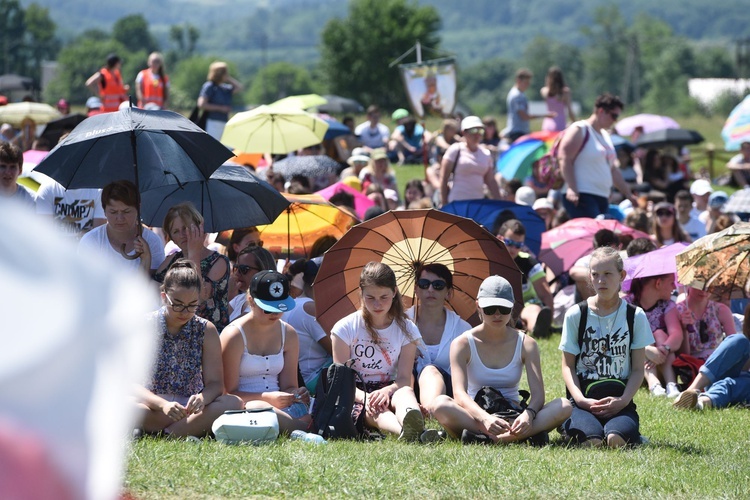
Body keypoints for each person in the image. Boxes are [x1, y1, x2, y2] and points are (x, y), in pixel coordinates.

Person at [430, 275, 571, 444]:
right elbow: (459, 395)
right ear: (478, 306)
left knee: (564, 405)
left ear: (512, 308)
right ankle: (519, 436)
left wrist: (528, 415)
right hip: (477, 415)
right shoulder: (462, 343)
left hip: (514, 414)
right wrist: (485, 419)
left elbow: (538, 395)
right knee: (440, 404)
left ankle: (488, 438)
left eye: (503, 309)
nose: (497, 314)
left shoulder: (527, 343)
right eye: (490, 309)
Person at [135, 259, 243, 437]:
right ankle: (181, 429)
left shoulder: (206, 329)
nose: (185, 312)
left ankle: (163, 432)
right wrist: (162, 405)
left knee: (233, 403)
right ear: (164, 297)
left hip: (189, 406)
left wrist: (202, 398)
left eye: (192, 305)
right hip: (151, 403)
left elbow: (215, 384)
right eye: (177, 304)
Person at [559, 246, 654, 447]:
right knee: (592, 441)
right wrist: (581, 400)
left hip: (620, 400)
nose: (601, 280)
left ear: (621, 276)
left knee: (615, 440)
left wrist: (624, 400)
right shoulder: (576, 314)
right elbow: (567, 366)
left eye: (608, 274)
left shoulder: (634, 316)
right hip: (583, 400)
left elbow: (638, 369)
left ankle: (627, 431)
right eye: (595, 275)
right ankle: (570, 425)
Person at [331, 261, 435, 442]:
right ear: (361, 293)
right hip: (355, 393)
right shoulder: (344, 328)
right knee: (375, 408)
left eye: (384, 297)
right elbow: (341, 382)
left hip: (390, 388)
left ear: (394, 292)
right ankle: (409, 433)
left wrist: (387, 391)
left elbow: (404, 379)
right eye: (370, 298)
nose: (377, 304)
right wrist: (368, 397)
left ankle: (413, 426)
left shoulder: (407, 329)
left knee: (406, 393)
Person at [220, 271, 312, 434]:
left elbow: (289, 385)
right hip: (246, 405)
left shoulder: (289, 333)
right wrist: (267, 398)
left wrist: (296, 394)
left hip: (282, 404)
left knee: (309, 405)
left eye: (280, 308)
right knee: (259, 408)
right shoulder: (234, 335)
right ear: (251, 301)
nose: (275, 314)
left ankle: (290, 425)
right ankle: (300, 428)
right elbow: (228, 393)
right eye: (268, 309)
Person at [153, 202, 231, 333]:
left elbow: (200, 296)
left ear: (198, 228)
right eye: (176, 231)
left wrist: (193, 253)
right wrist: (146, 260)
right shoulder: (171, 260)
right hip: (176, 334)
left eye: (185, 228)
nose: (182, 234)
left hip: (207, 335)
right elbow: (151, 289)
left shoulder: (219, 261)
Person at [406, 264, 471, 414]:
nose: (430, 290)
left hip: (448, 393)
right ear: (416, 290)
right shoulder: (401, 323)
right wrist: (405, 353)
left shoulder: (462, 329)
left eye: (438, 285)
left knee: (430, 370)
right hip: (407, 388)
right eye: (424, 284)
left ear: (449, 293)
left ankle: (428, 412)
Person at [559, 93, 635, 219]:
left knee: (600, 236)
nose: (615, 120)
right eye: (613, 115)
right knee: (591, 235)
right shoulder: (580, 129)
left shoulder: (605, 135)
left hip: (602, 196)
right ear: (601, 111)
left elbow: (612, 169)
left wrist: (629, 195)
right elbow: (564, 157)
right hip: (581, 195)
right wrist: (572, 187)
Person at [78, 180, 165, 275]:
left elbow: (155, 285)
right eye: (113, 212)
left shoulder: (152, 241)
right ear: (104, 211)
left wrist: (146, 261)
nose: (120, 218)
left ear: (138, 208)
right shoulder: (91, 241)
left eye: (126, 211)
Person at [673, 304, 750, 410]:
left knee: (730, 385)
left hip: (742, 385)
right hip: (722, 377)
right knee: (739, 340)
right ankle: (691, 391)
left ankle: (700, 403)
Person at [624, 272, 682, 398]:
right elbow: (620, 336)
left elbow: (676, 335)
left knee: (660, 333)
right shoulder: (626, 304)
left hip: (660, 360)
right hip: (631, 366)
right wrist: (646, 350)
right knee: (643, 337)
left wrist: (664, 349)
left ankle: (671, 383)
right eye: (671, 282)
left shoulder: (667, 305)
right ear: (658, 283)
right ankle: (653, 383)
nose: (674, 287)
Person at [282, 257, 332, 392]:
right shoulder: (309, 308)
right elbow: (335, 350)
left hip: (298, 378)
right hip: (311, 380)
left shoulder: (295, 303)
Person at [497, 219, 554, 338]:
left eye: (518, 245)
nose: (513, 248)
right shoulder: (490, 261)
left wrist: (550, 319)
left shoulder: (528, 262)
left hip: (526, 305)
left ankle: (538, 329)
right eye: (509, 243)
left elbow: (545, 294)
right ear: (499, 238)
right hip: (499, 307)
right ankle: (520, 326)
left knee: (533, 311)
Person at [439, 115, 501, 205]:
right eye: (473, 130)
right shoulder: (455, 150)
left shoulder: (485, 154)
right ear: (464, 132)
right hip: (457, 202)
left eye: (480, 130)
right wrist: (444, 202)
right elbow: (444, 178)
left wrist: (499, 202)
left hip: (478, 204)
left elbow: (491, 181)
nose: (477, 134)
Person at [675, 287, 736, 362]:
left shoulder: (721, 310)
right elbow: (683, 354)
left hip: (717, 362)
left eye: (709, 286)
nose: (703, 291)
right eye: (698, 285)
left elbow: (734, 343)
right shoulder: (677, 311)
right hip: (691, 364)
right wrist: (684, 330)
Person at [227, 245, 277, 322]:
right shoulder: (239, 299)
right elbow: (217, 322)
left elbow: (228, 329)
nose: (237, 273)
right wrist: (228, 295)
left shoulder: (263, 306)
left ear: (262, 271)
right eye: (236, 268)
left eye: (243, 269)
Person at [503, 69, 554, 142]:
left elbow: (528, 109)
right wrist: (544, 115)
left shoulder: (521, 94)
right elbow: (524, 116)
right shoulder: (516, 95)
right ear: (518, 81)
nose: (528, 85)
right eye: (526, 82)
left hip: (521, 132)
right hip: (517, 133)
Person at [197, 61, 243, 140]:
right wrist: (221, 108)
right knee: (214, 146)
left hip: (224, 122)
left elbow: (239, 87)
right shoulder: (210, 86)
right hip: (212, 122)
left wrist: (228, 78)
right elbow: (201, 104)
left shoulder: (225, 88)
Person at [540, 66, 575, 132]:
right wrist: (575, 123)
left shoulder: (544, 91)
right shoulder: (565, 92)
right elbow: (570, 112)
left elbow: (550, 90)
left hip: (547, 124)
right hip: (560, 124)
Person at [0, 142, 35, 208]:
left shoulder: (29, 198)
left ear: (20, 170)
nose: (7, 172)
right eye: (3, 166)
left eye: (12, 167)